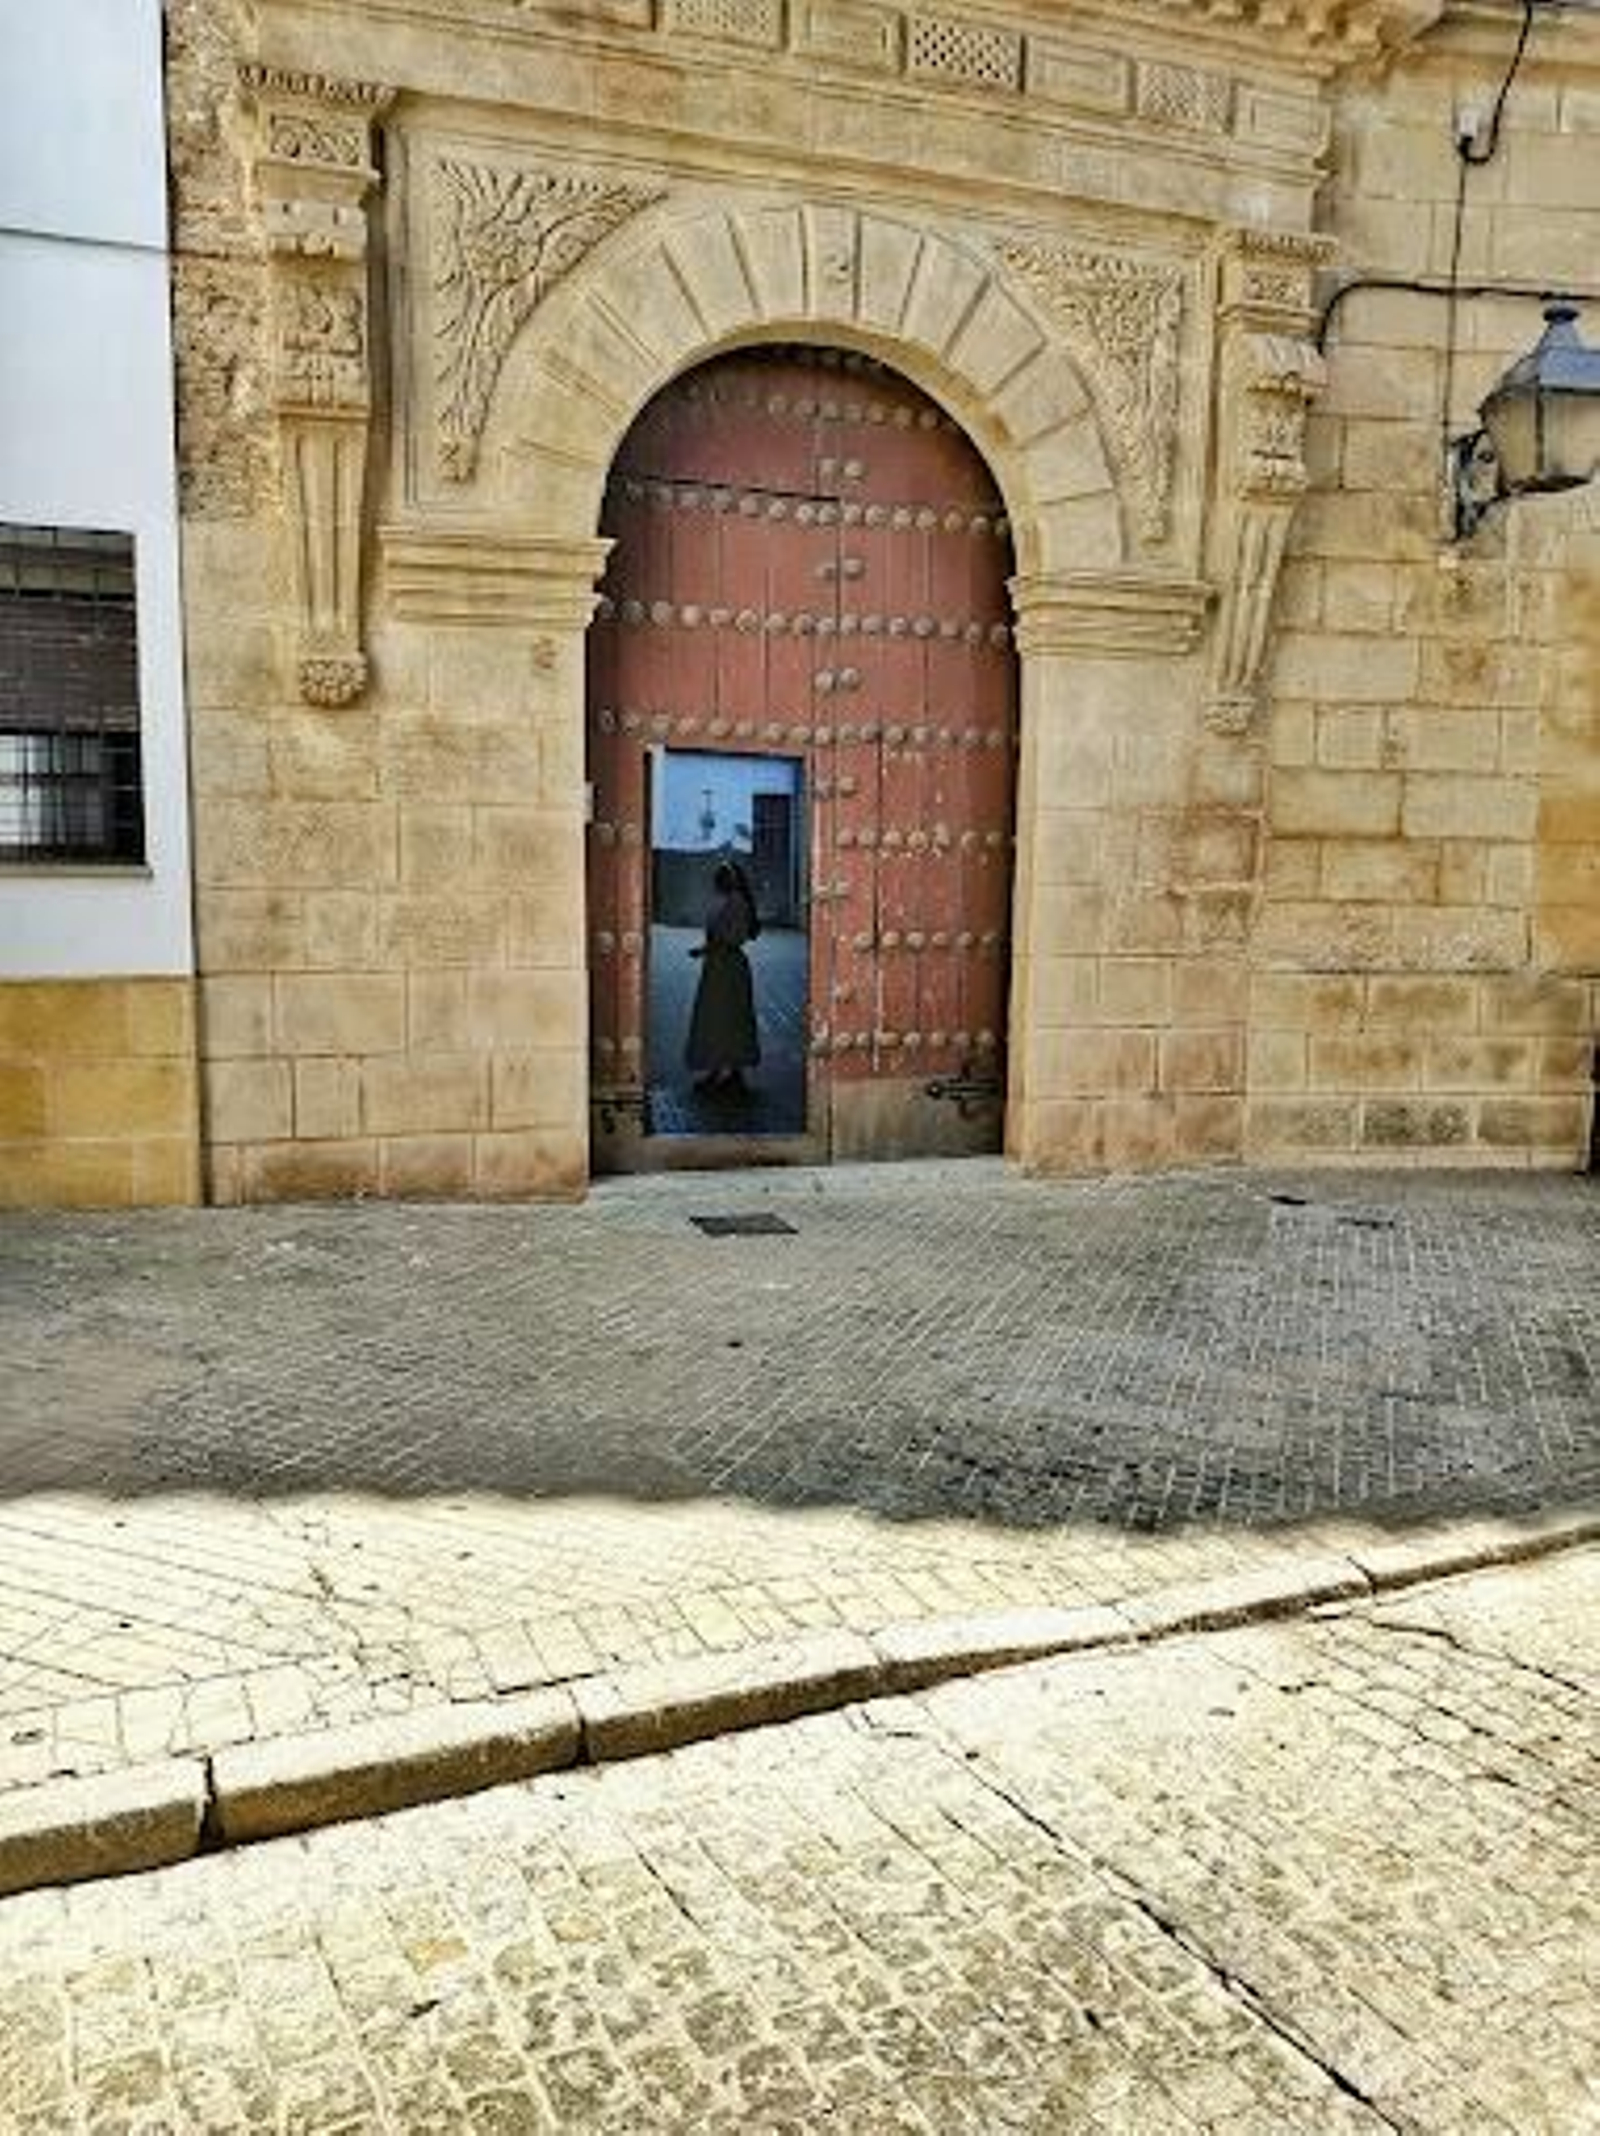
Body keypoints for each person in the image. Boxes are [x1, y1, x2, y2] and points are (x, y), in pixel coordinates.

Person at [686, 860, 760, 1094]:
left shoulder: (736, 903)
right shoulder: (728, 901)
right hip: (719, 966)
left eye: (720, 877)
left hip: (728, 968)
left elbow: (735, 937)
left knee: (726, 1018)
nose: (716, 881)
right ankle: (724, 1072)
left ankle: (727, 1072)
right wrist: (705, 950)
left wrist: (712, 945)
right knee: (723, 1019)